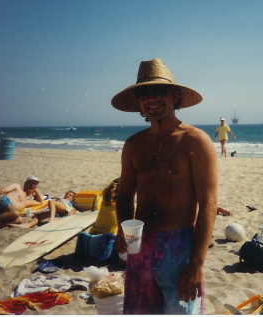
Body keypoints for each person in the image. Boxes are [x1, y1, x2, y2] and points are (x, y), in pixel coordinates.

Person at [111, 58, 218, 314]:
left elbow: (208, 205)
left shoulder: (195, 141)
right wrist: (123, 230)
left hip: (179, 249)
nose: (152, 98)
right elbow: (125, 195)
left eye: (159, 91)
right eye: (144, 93)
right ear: (138, 101)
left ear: (175, 95)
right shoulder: (134, 145)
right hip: (139, 248)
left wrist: (197, 265)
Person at [9, 190, 76, 229]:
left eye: (70, 195)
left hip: (65, 208)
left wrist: (71, 213)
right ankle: (27, 225)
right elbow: (49, 207)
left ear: (73, 198)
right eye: (67, 194)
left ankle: (51, 220)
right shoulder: (60, 200)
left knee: (51, 201)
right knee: (38, 216)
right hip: (56, 210)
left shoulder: (71, 203)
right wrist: (41, 211)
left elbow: (74, 209)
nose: (68, 195)